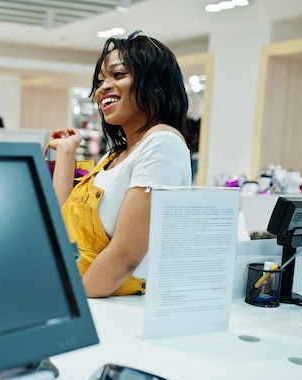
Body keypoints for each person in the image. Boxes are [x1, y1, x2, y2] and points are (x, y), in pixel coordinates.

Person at [46, 30, 192, 298]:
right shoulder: (116, 153)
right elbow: (63, 220)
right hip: (81, 292)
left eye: (118, 74)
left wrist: (72, 299)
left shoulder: (162, 144)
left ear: (155, 84)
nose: (103, 87)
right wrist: (67, 153)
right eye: (101, 80)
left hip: (109, 307)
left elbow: (126, 256)